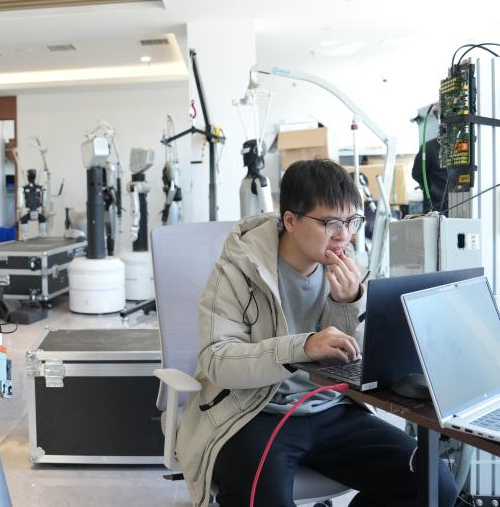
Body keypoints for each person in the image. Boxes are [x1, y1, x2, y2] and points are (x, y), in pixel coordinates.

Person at [176, 159, 457, 507]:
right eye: (331, 223)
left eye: (352, 222)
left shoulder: (348, 268)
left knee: (435, 484)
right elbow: (217, 361)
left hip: (332, 407)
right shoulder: (236, 271)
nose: (344, 236)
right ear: (290, 221)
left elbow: (366, 360)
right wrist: (303, 347)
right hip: (255, 412)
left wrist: (351, 302)